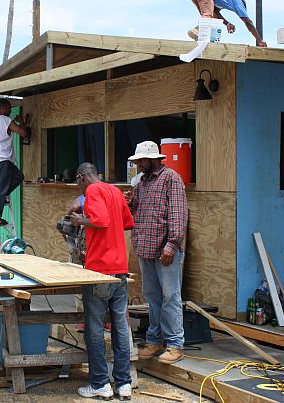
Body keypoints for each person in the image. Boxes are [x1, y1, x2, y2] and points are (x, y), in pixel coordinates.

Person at [69, 162, 134, 400]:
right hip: (120, 269)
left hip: (99, 270)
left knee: (94, 329)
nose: (81, 189)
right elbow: (126, 222)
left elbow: (101, 220)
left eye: (79, 184)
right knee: (120, 327)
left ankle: (99, 384)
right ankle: (124, 384)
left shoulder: (93, 191)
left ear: (82, 178)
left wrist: (80, 221)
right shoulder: (115, 191)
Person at [126, 141, 188, 364]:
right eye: (137, 161)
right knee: (152, 296)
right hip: (146, 247)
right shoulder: (141, 183)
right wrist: (131, 204)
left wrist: (172, 245)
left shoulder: (171, 178)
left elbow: (179, 214)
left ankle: (174, 344)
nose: (139, 165)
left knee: (170, 296)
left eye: (142, 160)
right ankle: (154, 340)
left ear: (154, 159)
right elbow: (138, 214)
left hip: (165, 250)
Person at [0, 99, 27, 226]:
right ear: (2, 108)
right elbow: (24, 133)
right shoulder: (5, 120)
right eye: (9, 108)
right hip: (2, 158)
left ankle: (0, 195)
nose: (10, 111)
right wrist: (22, 122)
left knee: (18, 176)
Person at [189, 0, 267, 47]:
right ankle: (198, 30)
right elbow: (248, 21)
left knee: (211, 16)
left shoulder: (223, 1)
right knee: (208, 14)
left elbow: (216, 14)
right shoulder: (239, 3)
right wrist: (259, 40)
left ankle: (200, 35)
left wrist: (227, 24)